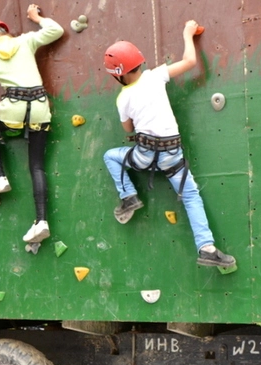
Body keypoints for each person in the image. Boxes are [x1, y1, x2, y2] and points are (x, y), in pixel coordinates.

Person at [101, 21, 236, 268]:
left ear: (118, 74)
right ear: (139, 62)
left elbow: (128, 129)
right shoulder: (155, 76)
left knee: (111, 156)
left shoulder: (123, 98)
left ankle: (129, 196)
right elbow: (189, 62)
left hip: (143, 155)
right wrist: (187, 33)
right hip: (172, 156)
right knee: (191, 196)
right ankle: (206, 248)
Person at [0, 4, 63, 244]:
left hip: (12, 113)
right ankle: (41, 222)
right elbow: (56, 30)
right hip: (39, 110)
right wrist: (36, 17)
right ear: (3, 32)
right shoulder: (26, 41)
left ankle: (0, 177)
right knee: (37, 167)